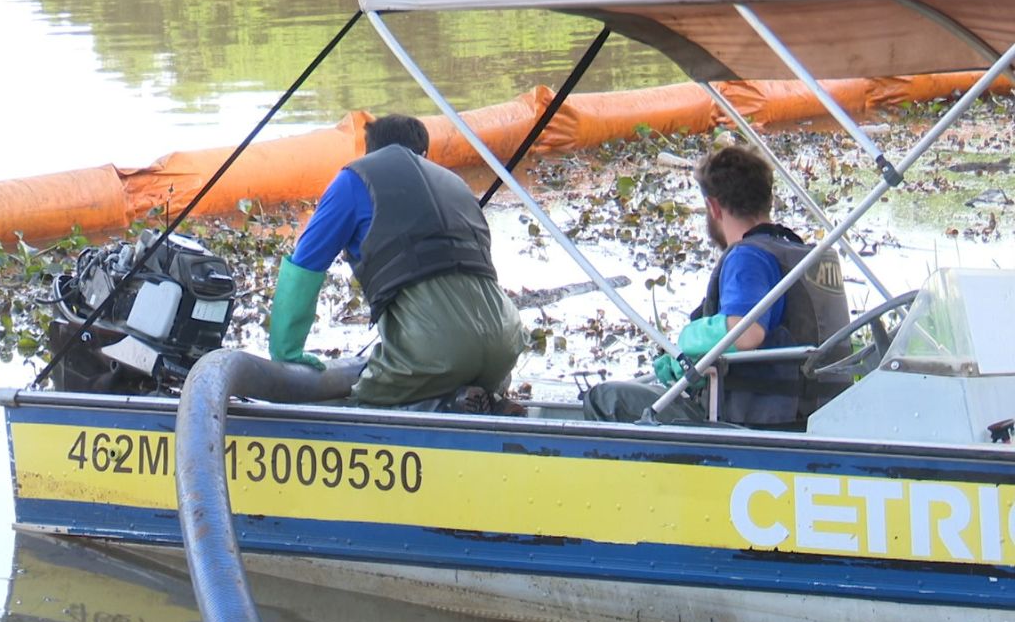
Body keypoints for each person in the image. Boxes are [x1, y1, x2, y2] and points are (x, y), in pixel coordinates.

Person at [268, 114, 527, 410]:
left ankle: (444, 406)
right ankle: (480, 400)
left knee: (363, 400)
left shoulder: (355, 179)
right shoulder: (456, 184)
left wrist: (286, 356)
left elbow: (305, 264)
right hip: (505, 341)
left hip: (434, 350)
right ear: (425, 154)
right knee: (449, 372)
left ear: (368, 151)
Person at [584, 145, 850, 428]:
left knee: (604, 398)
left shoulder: (749, 256)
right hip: (815, 420)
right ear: (767, 199)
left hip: (755, 428)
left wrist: (689, 341)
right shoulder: (801, 254)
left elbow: (747, 333)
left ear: (712, 207)